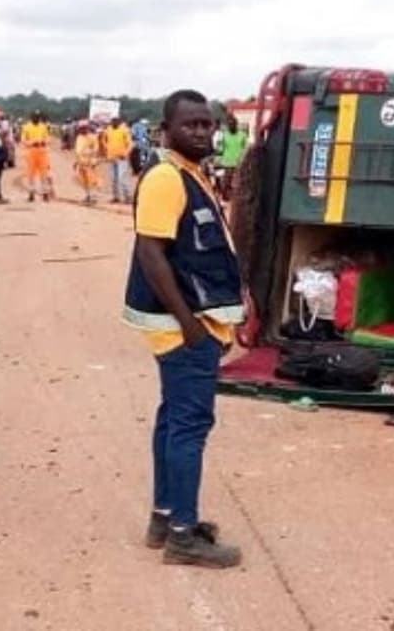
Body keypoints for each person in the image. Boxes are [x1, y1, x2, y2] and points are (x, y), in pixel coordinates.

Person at [122, 89, 245, 569]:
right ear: (166, 129)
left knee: (174, 420)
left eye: (206, 124)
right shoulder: (164, 178)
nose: (201, 131)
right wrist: (191, 326)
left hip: (195, 323)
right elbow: (151, 253)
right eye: (190, 124)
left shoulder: (194, 175)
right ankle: (182, 535)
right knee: (190, 427)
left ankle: (165, 517)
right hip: (186, 330)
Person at [20, 111, 53, 202]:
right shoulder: (26, 127)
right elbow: (23, 140)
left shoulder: (44, 127)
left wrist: (44, 142)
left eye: (38, 117)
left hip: (42, 151)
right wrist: (32, 142)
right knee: (31, 174)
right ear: (31, 117)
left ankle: (45, 194)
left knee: (44, 173)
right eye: (35, 117)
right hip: (31, 151)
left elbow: (48, 138)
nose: (36, 118)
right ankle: (31, 194)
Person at [216, 115, 248, 202]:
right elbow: (221, 149)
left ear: (236, 124)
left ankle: (238, 200)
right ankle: (225, 199)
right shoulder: (224, 135)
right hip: (227, 163)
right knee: (226, 182)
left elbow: (246, 149)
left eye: (233, 124)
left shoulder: (242, 135)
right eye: (229, 124)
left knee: (239, 183)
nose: (231, 126)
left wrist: (243, 159)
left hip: (239, 163)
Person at [105, 116, 133, 203]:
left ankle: (128, 197)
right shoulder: (108, 130)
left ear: (119, 122)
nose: (114, 123)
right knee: (113, 178)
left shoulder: (124, 130)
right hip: (111, 158)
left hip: (122, 158)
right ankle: (115, 197)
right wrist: (107, 151)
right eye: (112, 122)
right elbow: (104, 140)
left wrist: (125, 154)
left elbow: (131, 144)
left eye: (116, 122)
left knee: (122, 178)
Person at [73, 122, 101, 205]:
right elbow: (77, 151)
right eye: (81, 128)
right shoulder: (79, 137)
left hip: (89, 162)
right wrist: (76, 162)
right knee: (83, 181)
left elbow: (96, 149)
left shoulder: (92, 137)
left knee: (91, 180)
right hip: (81, 162)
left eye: (84, 128)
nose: (82, 129)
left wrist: (90, 156)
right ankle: (88, 196)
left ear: (87, 128)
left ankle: (93, 197)